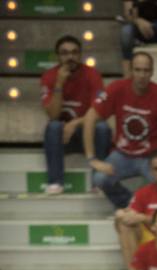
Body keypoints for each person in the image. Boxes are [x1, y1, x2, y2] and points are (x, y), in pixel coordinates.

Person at [83, 51, 157, 209]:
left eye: (146, 70)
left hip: (151, 157)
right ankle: (130, 204)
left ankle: (148, 207)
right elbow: (90, 118)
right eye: (138, 70)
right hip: (122, 155)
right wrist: (92, 159)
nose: (142, 75)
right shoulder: (116, 88)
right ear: (131, 71)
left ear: (152, 72)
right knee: (99, 179)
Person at [41, 35, 109, 195]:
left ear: (80, 55)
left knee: (102, 127)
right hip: (62, 138)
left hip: (87, 135)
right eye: (64, 53)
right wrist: (59, 84)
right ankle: (56, 183)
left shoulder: (92, 75)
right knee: (53, 126)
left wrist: (74, 123)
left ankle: (98, 183)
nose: (70, 57)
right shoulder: (49, 76)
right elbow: (53, 115)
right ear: (58, 56)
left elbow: (99, 112)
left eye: (74, 52)